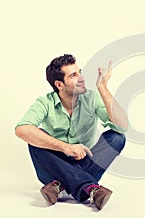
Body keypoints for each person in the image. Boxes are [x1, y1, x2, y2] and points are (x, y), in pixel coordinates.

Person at [15, 54, 128, 210]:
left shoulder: (91, 98)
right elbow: (22, 129)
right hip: (53, 165)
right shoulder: (45, 102)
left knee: (117, 138)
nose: (81, 78)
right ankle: (91, 189)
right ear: (59, 84)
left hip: (85, 162)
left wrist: (103, 88)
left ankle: (59, 186)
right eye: (74, 75)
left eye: (79, 72)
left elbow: (122, 126)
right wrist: (65, 147)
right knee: (35, 136)